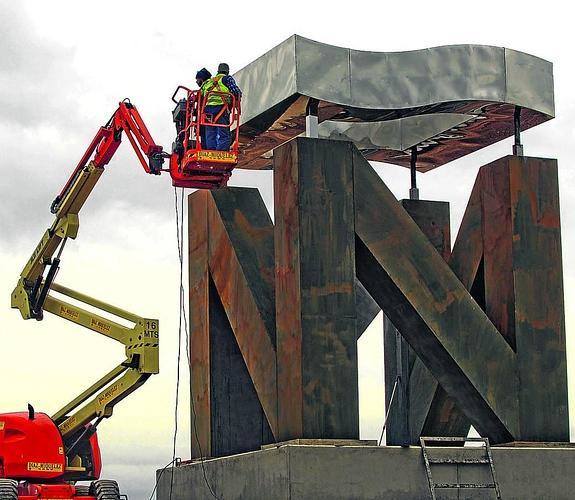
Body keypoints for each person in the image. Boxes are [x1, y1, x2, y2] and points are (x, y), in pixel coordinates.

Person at [199, 63, 242, 151]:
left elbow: (201, 95)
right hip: (221, 108)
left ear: (218, 71)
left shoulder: (208, 82)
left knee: (210, 132)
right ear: (227, 71)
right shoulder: (227, 78)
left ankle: (210, 151)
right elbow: (236, 92)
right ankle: (222, 151)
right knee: (223, 132)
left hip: (207, 110)